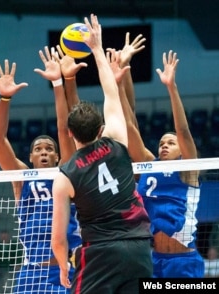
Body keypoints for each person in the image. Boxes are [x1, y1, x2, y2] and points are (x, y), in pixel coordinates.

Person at [52, 14, 153, 293]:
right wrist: (96, 47)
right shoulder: (116, 140)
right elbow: (111, 93)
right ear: (100, 128)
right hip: (139, 248)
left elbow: (58, 240)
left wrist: (63, 265)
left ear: (70, 134)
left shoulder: (65, 176)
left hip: (99, 254)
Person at [0, 46, 82, 293]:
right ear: (30, 157)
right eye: (38, 149)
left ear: (57, 155)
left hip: (65, 271)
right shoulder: (21, 178)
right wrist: (5, 99)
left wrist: (57, 84)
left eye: (49, 149)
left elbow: (64, 129)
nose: (44, 152)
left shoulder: (67, 172)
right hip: (30, 274)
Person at [128, 50, 205, 277]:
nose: (164, 145)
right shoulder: (149, 166)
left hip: (184, 262)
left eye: (171, 143)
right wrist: (121, 77)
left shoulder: (187, 170)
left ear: (182, 149)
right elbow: (130, 125)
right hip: (155, 261)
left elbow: (183, 131)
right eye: (162, 142)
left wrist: (171, 87)